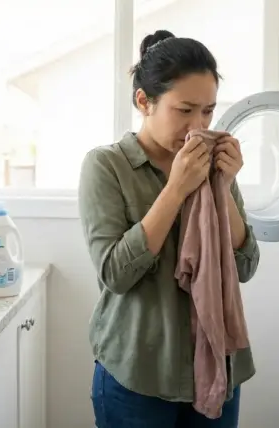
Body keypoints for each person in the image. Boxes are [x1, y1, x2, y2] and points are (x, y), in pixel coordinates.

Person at [77, 29, 261, 428]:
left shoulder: (215, 166)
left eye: (209, 111)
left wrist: (223, 188)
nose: (198, 125)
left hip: (216, 367)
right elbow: (115, 274)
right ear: (144, 101)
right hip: (138, 374)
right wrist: (176, 188)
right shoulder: (107, 166)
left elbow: (245, 266)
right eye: (185, 110)